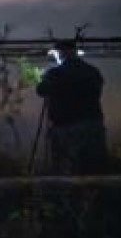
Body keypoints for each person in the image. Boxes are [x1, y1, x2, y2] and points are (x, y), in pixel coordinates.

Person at [36, 40, 108, 174]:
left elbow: (41, 90)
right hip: (92, 125)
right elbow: (97, 91)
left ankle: (70, 193)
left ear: (61, 53)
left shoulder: (55, 74)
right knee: (93, 168)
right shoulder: (92, 72)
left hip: (66, 128)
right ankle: (92, 193)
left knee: (67, 168)